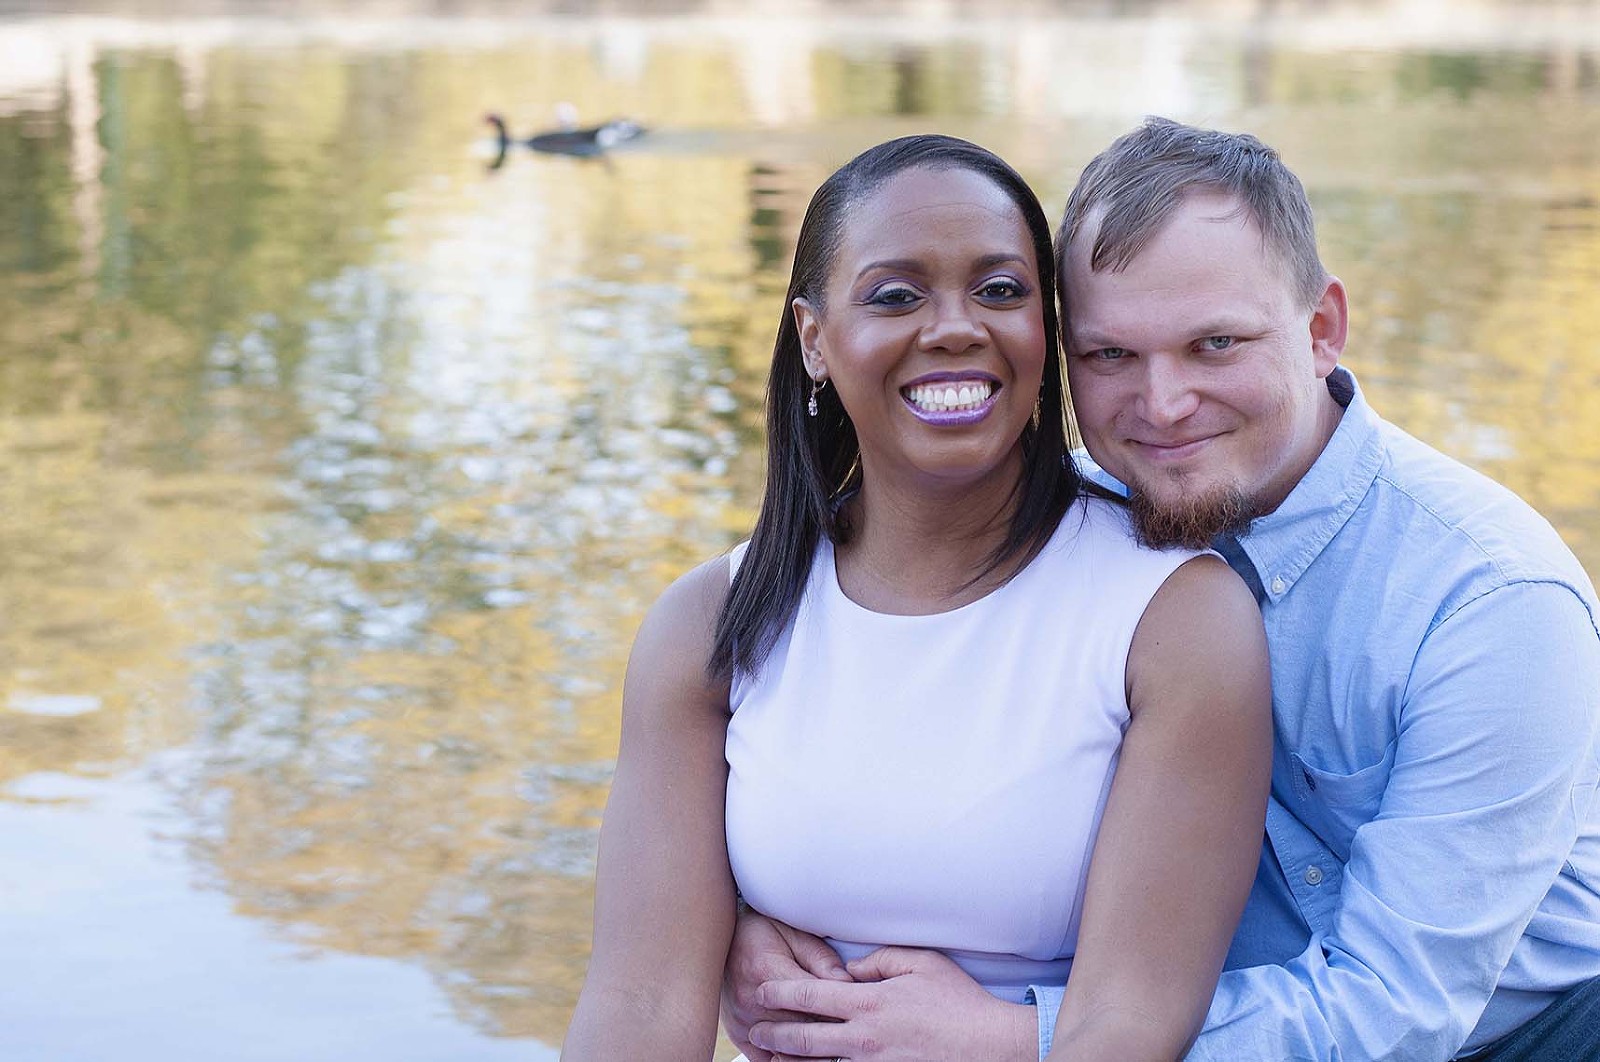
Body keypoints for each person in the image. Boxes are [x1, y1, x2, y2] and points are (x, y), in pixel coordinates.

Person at [724, 119, 1600, 1062]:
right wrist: (743, 915)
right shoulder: (1059, 532)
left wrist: (1021, 1037)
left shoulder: (1490, 602)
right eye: (1110, 357)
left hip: (1511, 1038)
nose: (1164, 404)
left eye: (1215, 344)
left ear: (1321, 331)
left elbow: (1395, 1012)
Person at [561, 133, 1273, 1062]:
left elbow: (1129, 1024)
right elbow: (641, 1002)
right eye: (896, 295)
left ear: (1045, 332)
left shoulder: (1175, 618)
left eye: (1001, 290)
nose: (954, 328)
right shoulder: (709, 624)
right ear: (815, 340)